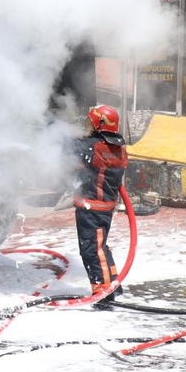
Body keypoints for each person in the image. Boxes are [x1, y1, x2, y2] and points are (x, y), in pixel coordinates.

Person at [72, 104, 128, 306]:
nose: (87, 126)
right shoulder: (118, 149)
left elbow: (69, 150)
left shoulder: (92, 146)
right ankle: (112, 283)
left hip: (91, 208)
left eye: (91, 122)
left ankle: (103, 292)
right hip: (104, 207)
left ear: (99, 124)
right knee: (100, 247)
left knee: (91, 250)